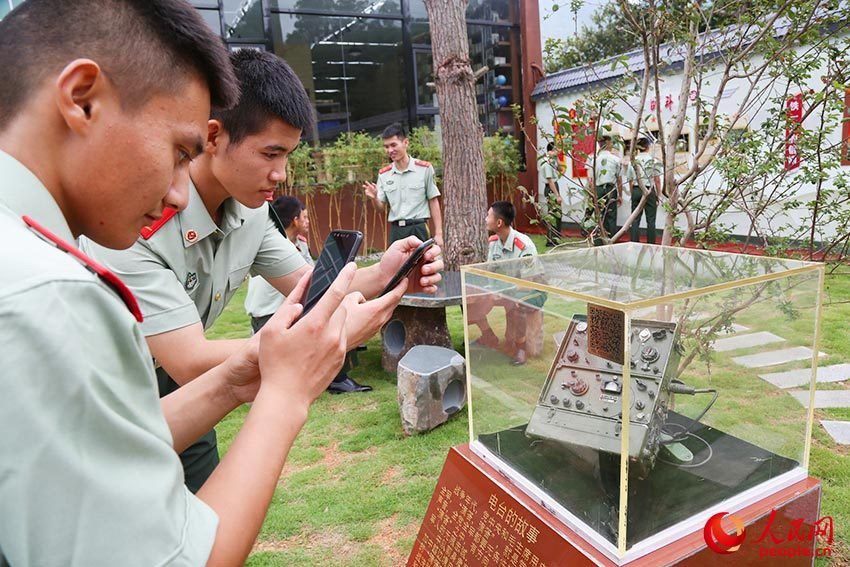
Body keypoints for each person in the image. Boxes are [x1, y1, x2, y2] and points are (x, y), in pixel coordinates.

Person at [0, 1, 392, 564]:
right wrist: (284, 389)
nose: (179, 194)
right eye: (179, 151)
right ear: (82, 100)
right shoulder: (52, 295)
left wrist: (236, 383)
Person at [83, 50, 443, 493]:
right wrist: (324, 341)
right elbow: (190, 360)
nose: (281, 174)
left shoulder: (251, 211)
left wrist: (388, 272)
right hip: (109, 399)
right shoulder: (137, 221)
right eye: (270, 153)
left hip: (194, 394)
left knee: (204, 522)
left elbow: (310, 285)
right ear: (213, 136)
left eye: (288, 155)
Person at [244, 195, 370, 394]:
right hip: (268, 317)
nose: (308, 221)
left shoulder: (298, 244)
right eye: (304, 217)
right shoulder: (275, 248)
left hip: (282, 311)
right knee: (334, 311)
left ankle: (340, 365)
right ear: (295, 219)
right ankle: (337, 378)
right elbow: (313, 284)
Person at [467, 201, 539, 366]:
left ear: (499, 222)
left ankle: (521, 348)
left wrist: (503, 292)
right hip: (505, 290)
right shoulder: (494, 243)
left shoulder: (524, 246)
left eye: (488, 216)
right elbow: (490, 274)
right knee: (471, 297)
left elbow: (528, 284)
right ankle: (488, 335)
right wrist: (486, 291)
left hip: (532, 291)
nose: (485, 219)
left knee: (518, 303)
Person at [362, 123, 444, 247]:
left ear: (406, 143)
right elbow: (380, 208)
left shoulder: (424, 169)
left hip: (418, 228)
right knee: (397, 266)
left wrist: (439, 233)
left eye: (393, 145)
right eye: (386, 146)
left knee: (423, 265)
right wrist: (374, 198)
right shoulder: (384, 174)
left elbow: (433, 201)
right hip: (396, 231)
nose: (390, 150)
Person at [623, 137, 663, 244]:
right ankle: (651, 244)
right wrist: (659, 195)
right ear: (648, 147)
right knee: (651, 220)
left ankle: (634, 243)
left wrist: (633, 194)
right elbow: (657, 180)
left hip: (636, 189)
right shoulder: (653, 161)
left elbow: (630, 181)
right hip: (649, 191)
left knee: (635, 219)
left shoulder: (633, 162)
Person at [587, 134, 623, 246]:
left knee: (599, 217)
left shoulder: (592, 158)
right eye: (611, 143)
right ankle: (610, 242)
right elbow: (619, 179)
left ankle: (598, 242)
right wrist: (620, 195)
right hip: (610, 189)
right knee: (611, 217)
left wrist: (591, 194)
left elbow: (590, 179)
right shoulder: (615, 159)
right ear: (608, 144)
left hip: (597, 189)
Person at [540, 142, 563, 247]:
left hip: (554, 186)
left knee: (557, 214)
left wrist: (557, 159)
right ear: (549, 151)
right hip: (551, 188)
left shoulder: (553, 161)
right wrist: (557, 195)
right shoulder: (546, 163)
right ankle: (551, 240)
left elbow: (560, 169)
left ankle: (556, 237)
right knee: (553, 214)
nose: (557, 152)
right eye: (555, 150)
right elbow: (550, 181)